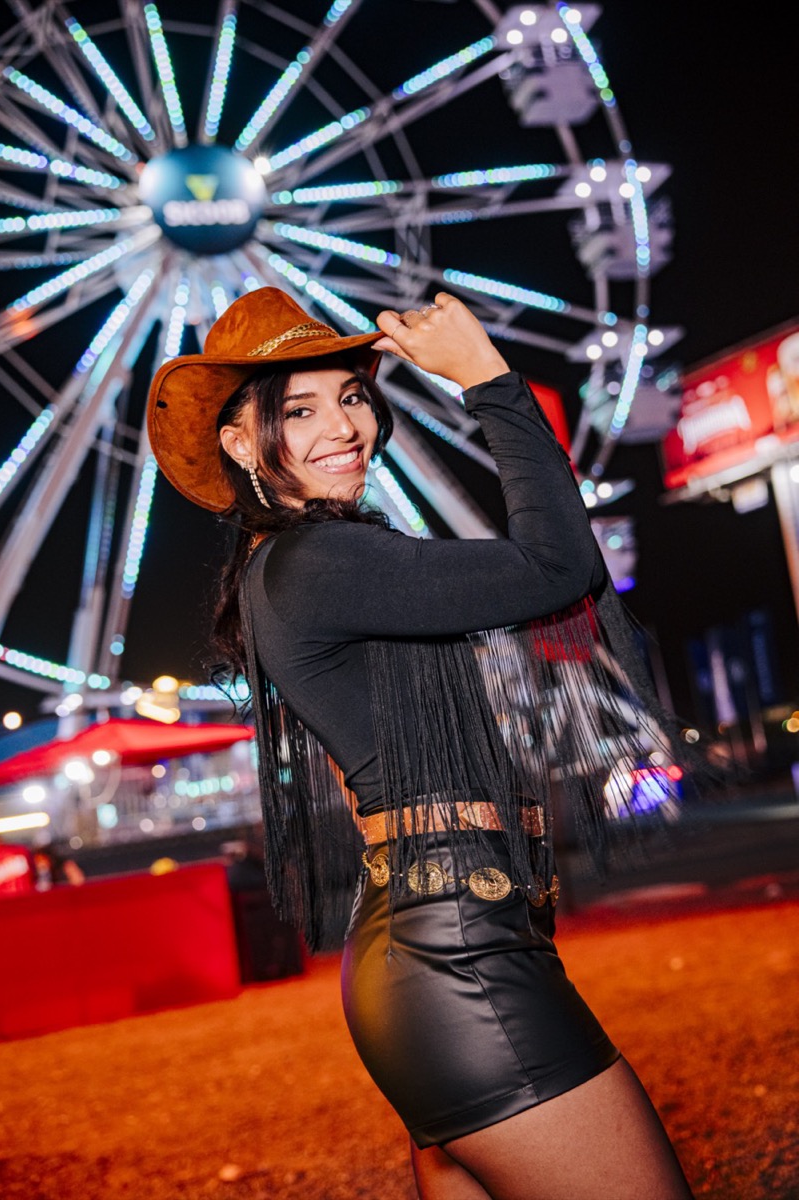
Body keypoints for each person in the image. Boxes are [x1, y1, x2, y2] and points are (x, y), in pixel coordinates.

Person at [147, 286, 696, 1198]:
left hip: (435, 947)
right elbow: (560, 564)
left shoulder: (291, 569)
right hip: (460, 955)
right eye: (298, 410)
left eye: (351, 396)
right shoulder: (320, 563)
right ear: (240, 444)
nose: (344, 427)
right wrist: (489, 380)